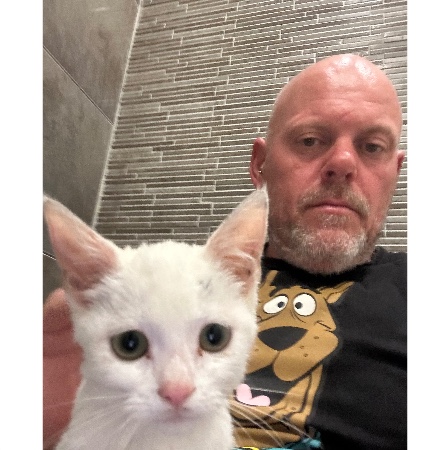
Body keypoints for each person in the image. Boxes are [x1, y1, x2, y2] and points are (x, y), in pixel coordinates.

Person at [43, 53, 406, 449]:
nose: (342, 162)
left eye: (372, 147)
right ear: (260, 164)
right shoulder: (178, 277)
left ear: (396, 171)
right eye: (310, 140)